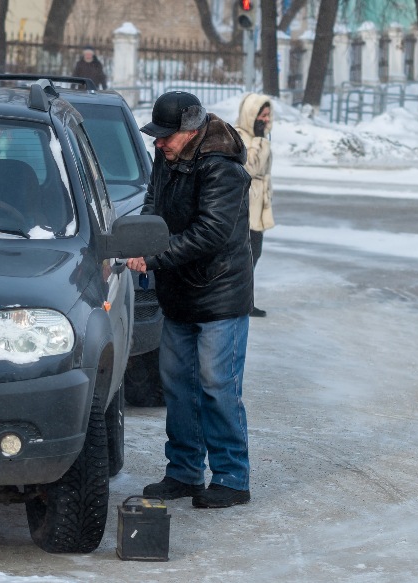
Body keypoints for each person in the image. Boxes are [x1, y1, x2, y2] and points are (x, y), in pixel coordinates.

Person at [126, 91, 254, 509]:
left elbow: (212, 232)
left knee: (217, 387)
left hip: (219, 294)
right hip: (178, 292)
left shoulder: (222, 167)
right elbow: (152, 206)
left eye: (166, 137)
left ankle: (233, 478)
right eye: (157, 137)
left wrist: (154, 255)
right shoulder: (167, 159)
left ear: (192, 130)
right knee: (179, 388)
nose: (158, 143)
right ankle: (183, 472)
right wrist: (141, 237)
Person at [235, 93, 274, 318]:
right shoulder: (240, 137)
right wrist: (260, 140)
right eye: (262, 114)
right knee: (245, 256)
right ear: (251, 114)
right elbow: (252, 167)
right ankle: (240, 302)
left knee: (254, 254)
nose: (266, 119)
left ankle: (246, 301)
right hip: (244, 207)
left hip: (258, 207)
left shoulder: (260, 137)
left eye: (268, 115)